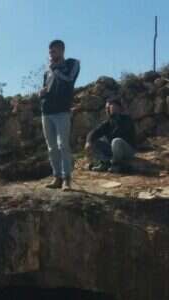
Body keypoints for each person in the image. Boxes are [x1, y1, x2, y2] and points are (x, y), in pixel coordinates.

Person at [40, 40, 80, 191]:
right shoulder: (47, 72)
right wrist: (41, 94)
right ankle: (56, 177)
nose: (51, 55)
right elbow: (46, 89)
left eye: (54, 51)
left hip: (62, 111)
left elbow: (69, 79)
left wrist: (55, 70)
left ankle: (66, 179)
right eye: (50, 52)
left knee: (63, 145)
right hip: (47, 112)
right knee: (52, 148)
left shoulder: (72, 64)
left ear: (62, 50)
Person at [85, 98, 136, 173]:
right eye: (106, 108)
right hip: (114, 149)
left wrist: (116, 115)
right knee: (94, 141)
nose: (107, 110)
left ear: (118, 107)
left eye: (110, 107)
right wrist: (88, 141)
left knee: (116, 141)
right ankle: (105, 163)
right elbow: (95, 131)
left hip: (127, 150)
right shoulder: (108, 122)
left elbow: (120, 132)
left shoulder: (126, 119)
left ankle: (117, 164)